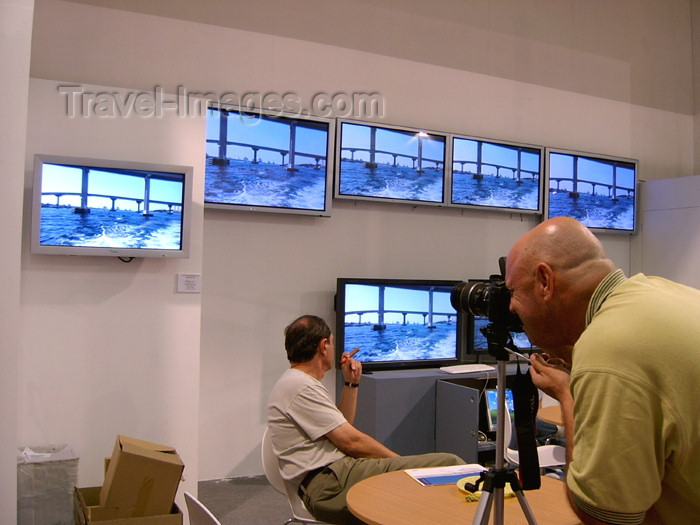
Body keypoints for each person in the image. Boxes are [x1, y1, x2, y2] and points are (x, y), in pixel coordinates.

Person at [505, 216, 700, 524]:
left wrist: (567, 394)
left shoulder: (609, 346)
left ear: (545, 281)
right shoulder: (662, 293)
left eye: (513, 291)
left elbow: (603, 515)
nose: (511, 308)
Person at [267, 314, 465, 524]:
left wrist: (351, 383)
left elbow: (341, 428)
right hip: (330, 484)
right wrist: (402, 466)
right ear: (324, 346)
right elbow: (351, 442)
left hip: (332, 478)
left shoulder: (298, 383)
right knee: (450, 464)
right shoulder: (301, 386)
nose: (333, 348)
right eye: (332, 343)